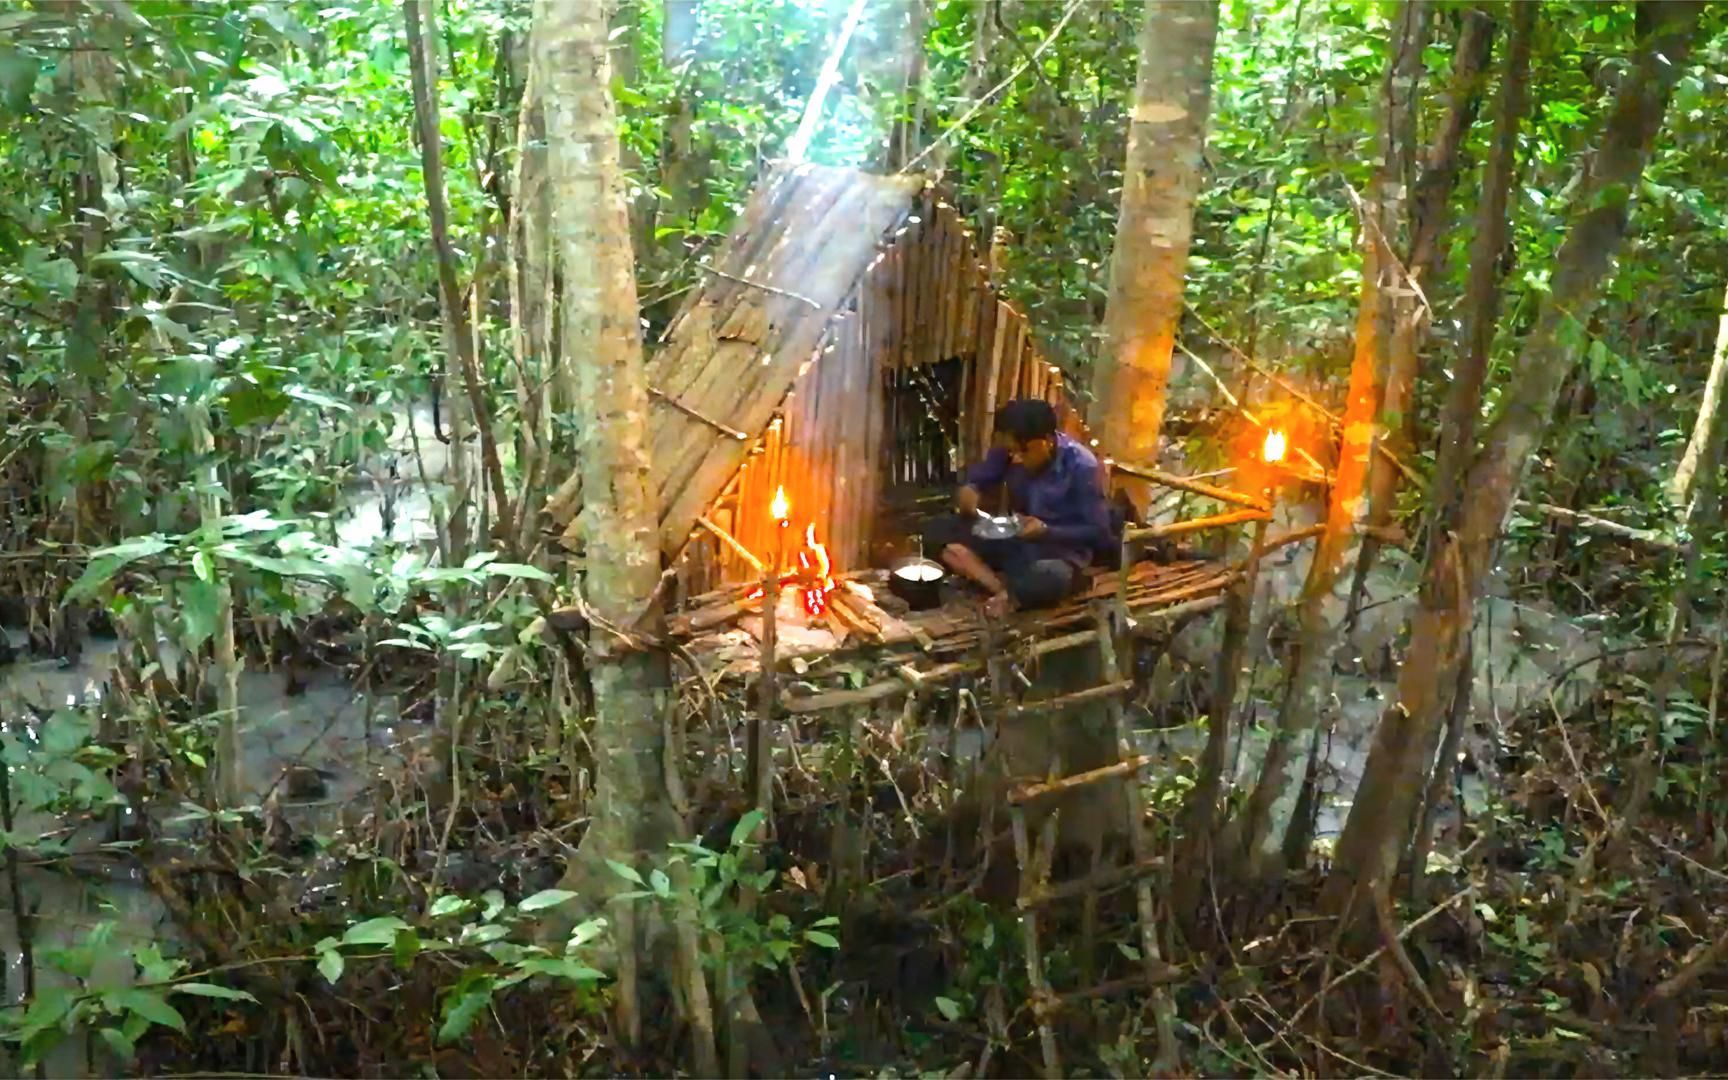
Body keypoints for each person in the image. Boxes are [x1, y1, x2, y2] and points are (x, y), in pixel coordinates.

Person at [925, 399, 1115, 617]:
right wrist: (971, 488)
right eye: (1010, 451)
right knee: (937, 529)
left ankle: (984, 575)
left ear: (1047, 442)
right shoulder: (1011, 449)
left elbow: (1098, 532)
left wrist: (1047, 530)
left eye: (1023, 452)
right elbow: (982, 475)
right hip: (1015, 539)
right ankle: (1000, 588)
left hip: (1057, 551)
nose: (1015, 458)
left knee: (1052, 577)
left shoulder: (1082, 467)